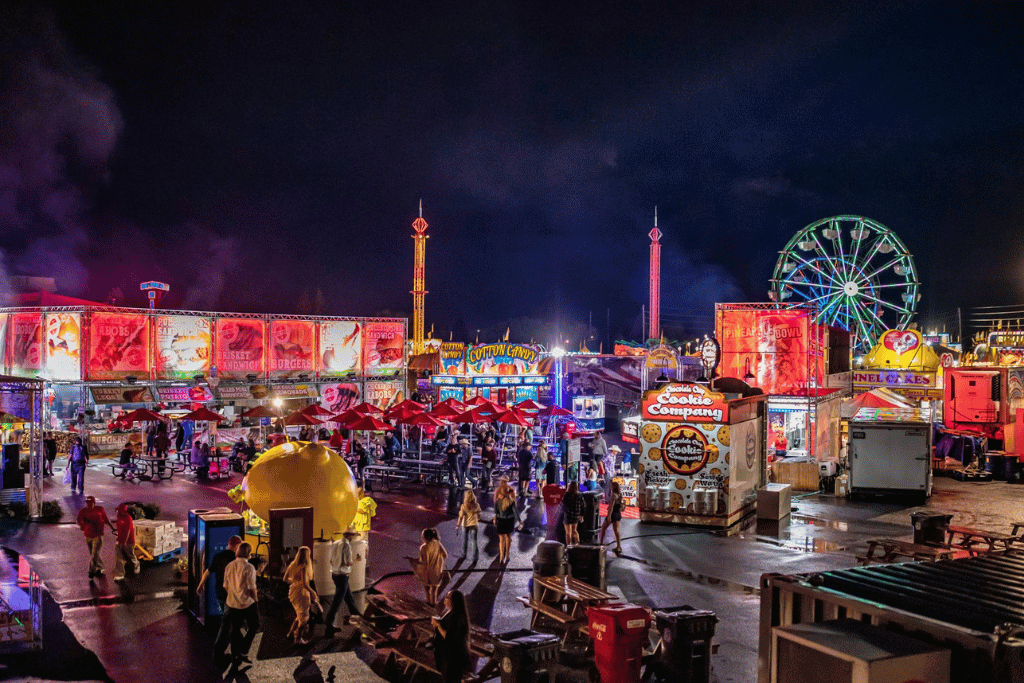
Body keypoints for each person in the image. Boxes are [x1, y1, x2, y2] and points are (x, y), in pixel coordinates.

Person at [196, 535, 243, 670]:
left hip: (220, 594)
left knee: (230, 621)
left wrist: (200, 585)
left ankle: (237, 650)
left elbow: (208, 572)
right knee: (227, 625)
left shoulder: (218, 556)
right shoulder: (236, 560)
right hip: (232, 597)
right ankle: (220, 654)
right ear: (236, 546)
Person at [223, 542, 260, 667]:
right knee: (254, 625)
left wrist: (233, 595)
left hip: (232, 603)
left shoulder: (229, 566)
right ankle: (243, 651)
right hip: (247, 604)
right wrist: (256, 600)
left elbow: (225, 586)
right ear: (248, 553)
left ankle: (235, 656)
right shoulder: (249, 567)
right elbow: (251, 588)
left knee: (235, 629)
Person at [324, 528, 361, 635]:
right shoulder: (347, 546)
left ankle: (357, 617)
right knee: (337, 601)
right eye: (353, 536)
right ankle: (329, 623)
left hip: (335, 574)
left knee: (349, 598)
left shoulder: (335, 543)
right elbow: (347, 563)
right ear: (350, 536)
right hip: (343, 576)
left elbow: (331, 560)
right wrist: (356, 560)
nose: (353, 538)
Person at [431, 589, 471, 683]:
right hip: (447, 655)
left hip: (452, 658)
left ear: (454, 601)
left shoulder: (457, 616)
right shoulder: (450, 611)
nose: (445, 599)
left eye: (448, 598)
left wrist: (438, 625)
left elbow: (449, 636)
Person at [283, 546, 320, 644]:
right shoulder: (304, 566)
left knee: (299, 614)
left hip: (293, 592)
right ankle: (298, 639)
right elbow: (305, 584)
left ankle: (291, 633)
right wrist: (313, 592)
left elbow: (285, 578)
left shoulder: (292, 564)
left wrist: (295, 581)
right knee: (304, 618)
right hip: (302, 593)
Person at [77, 496, 114, 578]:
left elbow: (106, 519)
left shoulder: (100, 509)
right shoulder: (83, 511)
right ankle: (101, 568)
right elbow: (79, 520)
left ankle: (91, 572)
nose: (88, 505)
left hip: (98, 535)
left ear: (94, 503)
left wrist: (113, 528)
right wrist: (81, 525)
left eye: (90, 503)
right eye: (87, 503)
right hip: (88, 535)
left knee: (94, 554)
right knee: (93, 554)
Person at [410, 528, 447, 604]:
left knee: (427, 590)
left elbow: (424, 562)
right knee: (434, 591)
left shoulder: (424, 547)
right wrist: (437, 560)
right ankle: (433, 604)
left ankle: (428, 604)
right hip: (437, 571)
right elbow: (445, 555)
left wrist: (413, 560)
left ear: (428, 537)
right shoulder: (437, 543)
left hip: (427, 573)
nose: (422, 538)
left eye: (423, 536)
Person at [493, 478, 519, 563]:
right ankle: (507, 554)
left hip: (501, 520)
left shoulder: (498, 493)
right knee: (508, 537)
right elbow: (515, 511)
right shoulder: (511, 493)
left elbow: (495, 510)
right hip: (509, 520)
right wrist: (519, 520)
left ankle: (501, 556)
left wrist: (497, 502)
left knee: (501, 540)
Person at [113, 503, 140, 581]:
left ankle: (136, 565)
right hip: (120, 539)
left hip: (128, 541)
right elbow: (119, 527)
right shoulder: (118, 516)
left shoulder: (128, 518)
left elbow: (128, 531)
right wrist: (117, 537)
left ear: (123, 511)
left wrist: (124, 542)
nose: (117, 512)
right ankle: (120, 573)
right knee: (119, 557)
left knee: (130, 555)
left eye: (119, 510)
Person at [456, 489, 481, 563]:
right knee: (474, 541)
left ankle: (464, 554)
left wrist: (457, 525)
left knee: (465, 540)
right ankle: (475, 557)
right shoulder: (477, 505)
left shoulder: (464, 506)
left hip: (465, 524)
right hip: (474, 524)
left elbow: (460, 516)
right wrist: (476, 519)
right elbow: (479, 515)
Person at [599, 480, 624, 555]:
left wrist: (609, 515)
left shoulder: (613, 495)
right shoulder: (619, 494)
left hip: (613, 513)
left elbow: (611, 506)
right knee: (616, 531)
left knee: (603, 528)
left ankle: (600, 543)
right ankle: (619, 546)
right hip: (617, 513)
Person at [562, 481, 583, 546]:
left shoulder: (567, 495)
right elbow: (583, 506)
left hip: (568, 515)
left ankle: (569, 546)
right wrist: (581, 515)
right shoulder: (579, 495)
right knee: (574, 530)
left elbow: (564, 505)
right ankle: (577, 544)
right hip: (576, 515)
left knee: (568, 532)